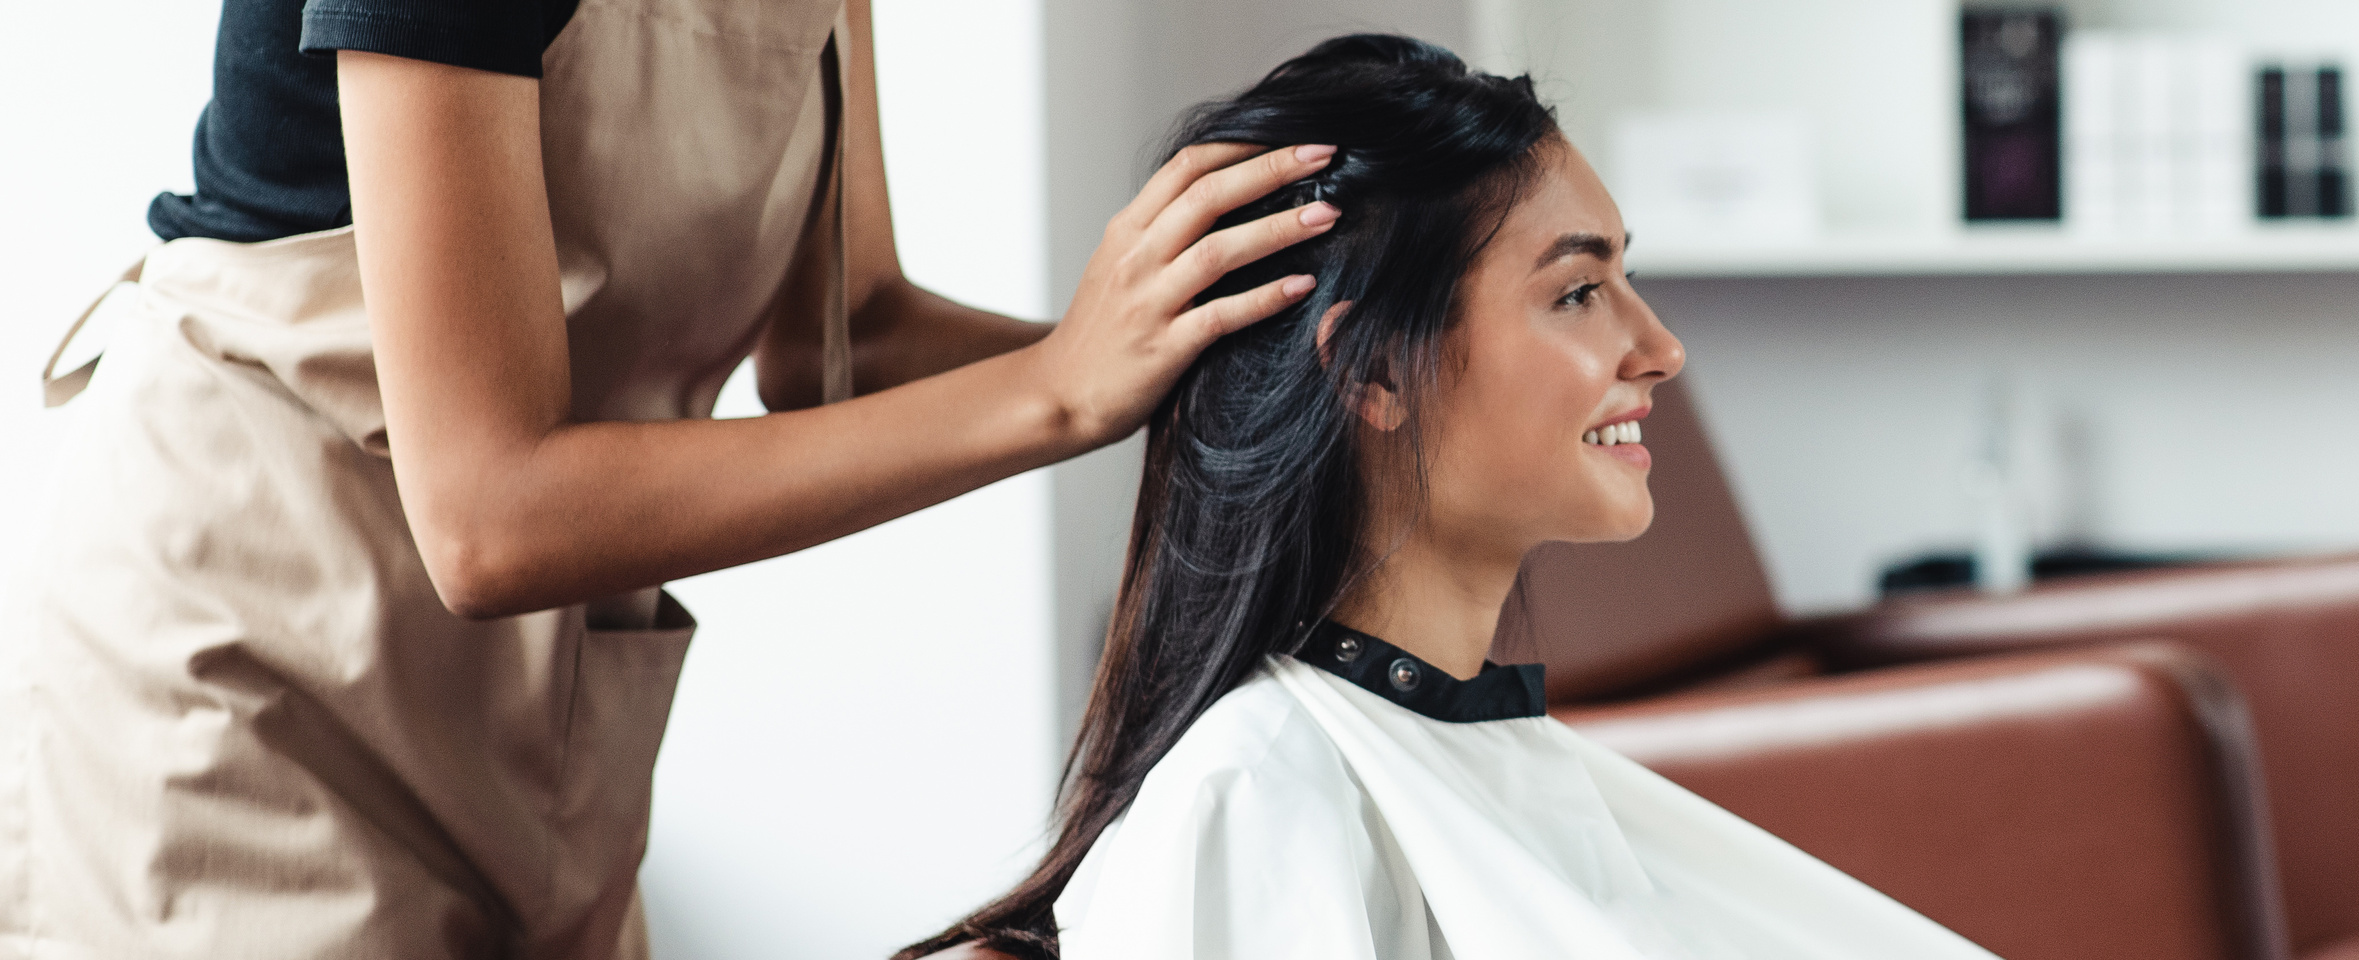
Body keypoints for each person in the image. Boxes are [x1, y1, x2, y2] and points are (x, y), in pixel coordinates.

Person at [5, 0, 1334, 956]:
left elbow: (844, 335)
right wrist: (1061, 387)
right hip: (245, 684)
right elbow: (487, 515)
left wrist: (1194, 352)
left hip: (539, 727)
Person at [899, 36, 2001, 960]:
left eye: (1624, 281)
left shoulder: (1475, 756)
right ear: (1375, 374)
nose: (1660, 349)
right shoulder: (1258, 793)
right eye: (1577, 292)